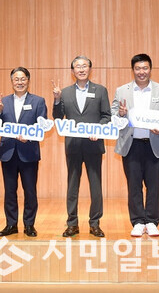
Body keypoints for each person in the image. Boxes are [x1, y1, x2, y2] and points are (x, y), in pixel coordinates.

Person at [111, 54, 159, 238]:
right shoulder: (122, 91)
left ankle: (152, 221)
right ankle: (137, 221)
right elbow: (113, 117)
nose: (141, 72)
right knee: (134, 185)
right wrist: (121, 114)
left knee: (154, 186)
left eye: (145, 68)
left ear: (150, 69)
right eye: (138, 68)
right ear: (133, 70)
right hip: (131, 145)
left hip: (155, 145)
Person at [52, 56, 111, 238]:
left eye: (84, 66)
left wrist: (98, 129)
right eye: (78, 66)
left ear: (90, 69)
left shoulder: (100, 90)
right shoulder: (65, 92)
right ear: (73, 71)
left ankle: (95, 223)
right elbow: (57, 117)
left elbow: (106, 116)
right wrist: (56, 100)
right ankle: (72, 223)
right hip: (73, 146)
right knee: (72, 186)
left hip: (94, 144)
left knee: (96, 186)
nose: (81, 69)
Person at [0, 67, 47, 237]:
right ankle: (11, 224)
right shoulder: (3, 102)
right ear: (12, 82)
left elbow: (42, 126)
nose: (19, 82)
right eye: (16, 79)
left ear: (28, 81)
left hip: (29, 152)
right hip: (8, 152)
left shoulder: (38, 101)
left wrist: (30, 137)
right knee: (10, 191)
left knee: (30, 191)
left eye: (23, 79)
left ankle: (29, 225)